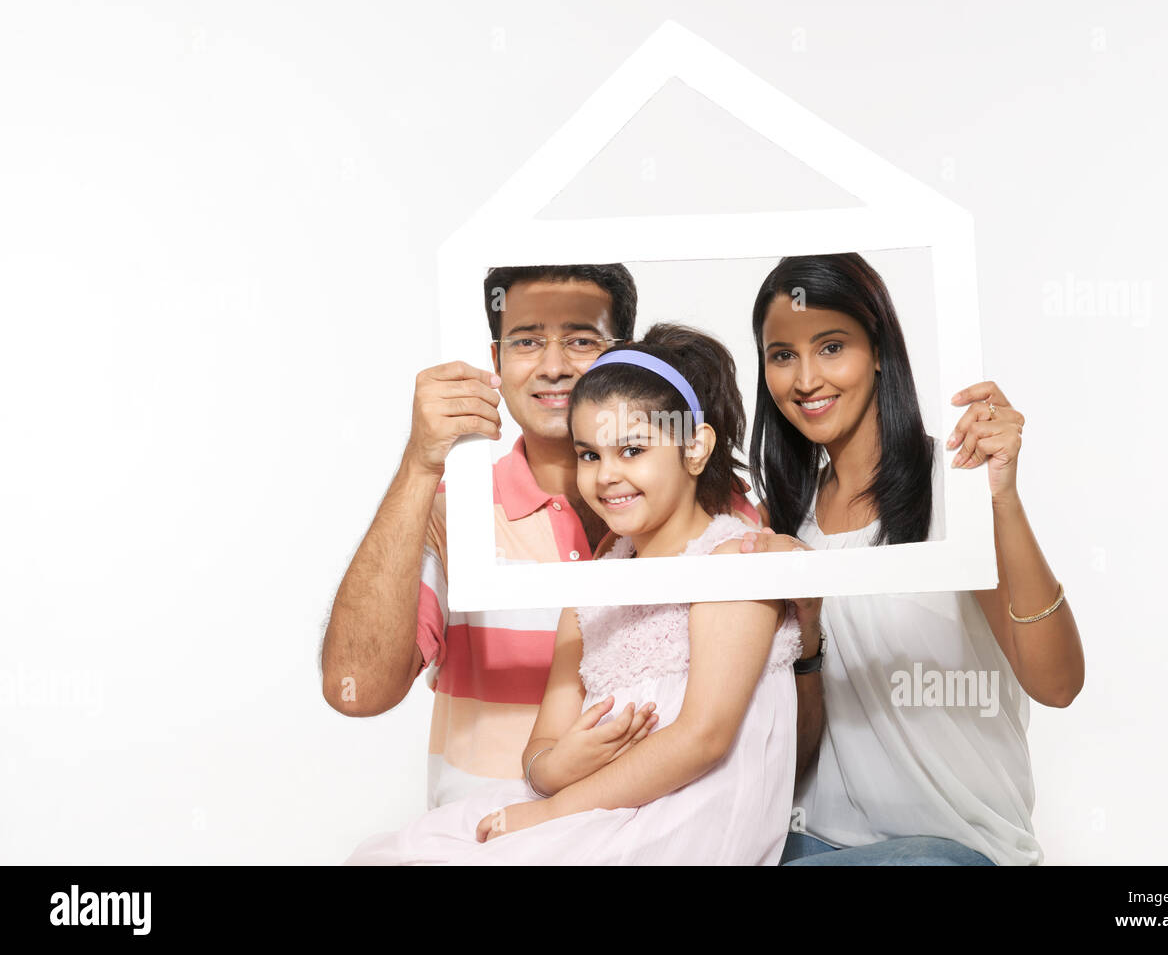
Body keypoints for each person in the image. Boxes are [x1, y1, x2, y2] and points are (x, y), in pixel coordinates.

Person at [344, 325, 803, 864]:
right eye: (589, 454)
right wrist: (563, 763)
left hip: (685, 816)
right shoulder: (592, 588)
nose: (607, 476)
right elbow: (538, 755)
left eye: (632, 449)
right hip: (592, 803)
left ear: (695, 448)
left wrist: (547, 813)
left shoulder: (735, 561)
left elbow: (703, 737)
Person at [741, 253, 1085, 866]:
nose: (806, 379)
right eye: (782, 355)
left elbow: (1056, 683)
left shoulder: (954, 492)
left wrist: (1001, 499)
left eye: (831, 346)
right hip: (808, 847)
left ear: (877, 350)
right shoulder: (779, 524)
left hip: (950, 851)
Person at [320, 264, 642, 808]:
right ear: (495, 362)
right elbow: (357, 689)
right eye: (527, 341)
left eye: (582, 339)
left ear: (625, 356)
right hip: (479, 848)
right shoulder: (450, 515)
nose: (554, 367)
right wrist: (421, 464)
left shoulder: (694, 511)